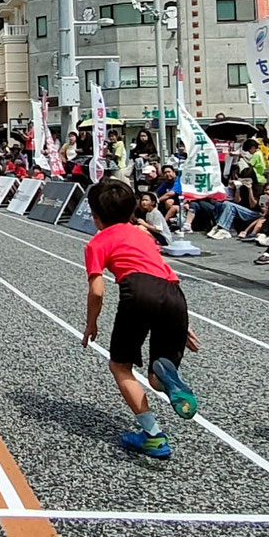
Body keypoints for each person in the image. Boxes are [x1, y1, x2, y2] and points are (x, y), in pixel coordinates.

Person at [82, 176, 200, 460]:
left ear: (96, 217)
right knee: (156, 374)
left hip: (137, 292)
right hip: (173, 296)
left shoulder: (97, 243)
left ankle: (153, 436)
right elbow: (165, 275)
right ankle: (169, 380)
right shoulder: (142, 235)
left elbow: (97, 292)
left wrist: (91, 323)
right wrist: (183, 326)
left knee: (120, 366)